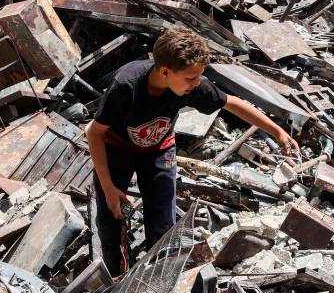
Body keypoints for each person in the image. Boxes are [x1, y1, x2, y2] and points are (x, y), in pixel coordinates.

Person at [86, 26, 299, 276]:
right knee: (112, 223)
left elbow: (232, 103)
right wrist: (109, 188)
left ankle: (161, 280)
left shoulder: (191, 84)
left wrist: (277, 131)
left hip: (158, 150)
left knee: (164, 224)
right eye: (190, 78)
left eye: (199, 77)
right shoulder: (127, 86)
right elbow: (94, 133)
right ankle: (117, 278)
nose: (196, 84)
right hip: (117, 148)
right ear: (165, 71)